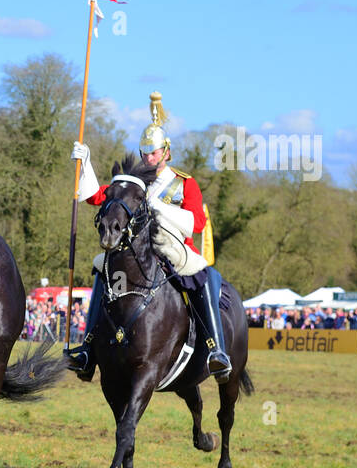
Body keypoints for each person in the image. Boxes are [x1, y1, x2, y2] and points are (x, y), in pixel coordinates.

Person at [64, 91, 232, 383]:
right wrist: (86, 162)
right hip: (135, 250)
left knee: (203, 274)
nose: (148, 158)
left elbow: (197, 223)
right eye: (144, 153)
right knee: (103, 267)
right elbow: (95, 197)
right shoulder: (132, 183)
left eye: (153, 153)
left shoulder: (183, 183)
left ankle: (215, 349)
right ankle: (89, 348)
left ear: (166, 151)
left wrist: (159, 208)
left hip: (174, 248)